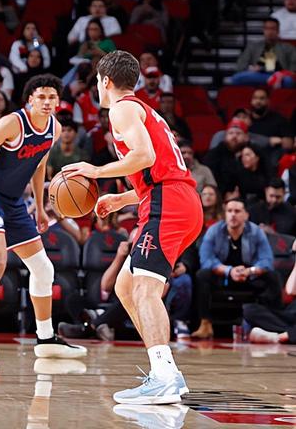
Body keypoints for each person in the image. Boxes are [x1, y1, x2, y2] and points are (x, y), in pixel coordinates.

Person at [62, 50, 202, 404]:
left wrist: (95, 171)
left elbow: (145, 157)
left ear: (105, 81)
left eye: (97, 81)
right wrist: (122, 199)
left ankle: (164, 377)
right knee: (126, 286)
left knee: (144, 290)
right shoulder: (143, 109)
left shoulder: (122, 109)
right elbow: (157, 170)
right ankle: (165, 371)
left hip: (168, 203)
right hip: (173, 199)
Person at [0, 73, 86, 362]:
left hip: (15, 204)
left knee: (43, 269)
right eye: (41, 97)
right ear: (30, 100)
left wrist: (39, 208)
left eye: (52, 97)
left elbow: (39, 167)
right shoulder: (12, 123)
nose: (47, 102)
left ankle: (45, 338)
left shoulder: (54, 128)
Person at [192, 198, 282, 339]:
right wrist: (229, 271)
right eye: (229, 211)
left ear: (246, 215)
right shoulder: (214, 231)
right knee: (202, 275)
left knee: (273, 277)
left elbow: (267, 260)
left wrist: (250, 271)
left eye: (237, 211)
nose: (233, 214)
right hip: (223, 276)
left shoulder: (256, 232)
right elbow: (206, 260)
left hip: (248, 276)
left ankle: (272, 323)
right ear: (225, 214)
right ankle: (205, 324)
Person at [232, 18, 296, 87]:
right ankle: (272, 80)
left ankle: (273, 79)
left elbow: (293, 69)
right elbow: (240, 66)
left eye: (273, 29)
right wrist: (251, 68)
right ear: (263, 30)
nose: (270, 32)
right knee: (237, 78)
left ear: (278, 31)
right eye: (267, 29)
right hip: (258, 75)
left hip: (280, 76)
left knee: (288, 81)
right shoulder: (253, 47)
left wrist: (281, 74)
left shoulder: (288, 48)